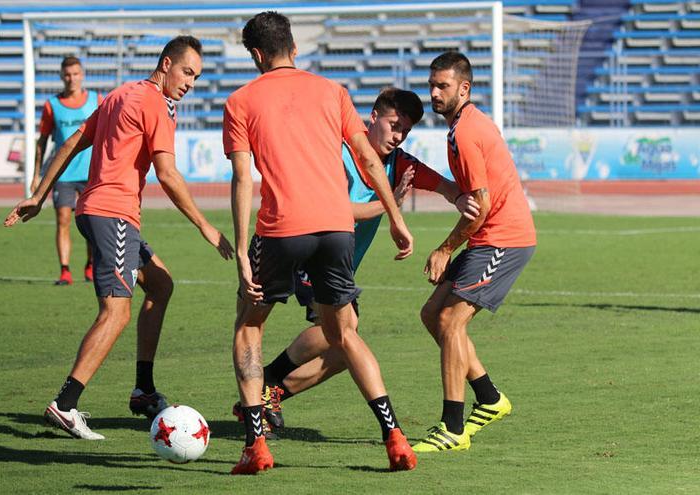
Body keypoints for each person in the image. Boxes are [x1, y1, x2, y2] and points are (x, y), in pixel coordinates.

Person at [5, 35, 234, 440]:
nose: (190, 83)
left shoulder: (119, 94)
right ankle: (66, 403)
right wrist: (205, 225)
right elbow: (167, 174)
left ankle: (143, 390)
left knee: (160, 285)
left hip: (100, 211)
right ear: (166, 64)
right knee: (117, 312)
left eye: (196, 77)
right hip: (113, 213)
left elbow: (74, 140)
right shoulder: (156, 105)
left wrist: (40, 194)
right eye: (186, 72)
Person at [225, 12, 417, 474]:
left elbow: (242, 178)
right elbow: (369, 160)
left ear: (256, 55)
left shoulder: (240, 100)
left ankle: (256, 445)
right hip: (336, 228)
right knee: (344, 333)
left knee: (249, 327)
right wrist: (395, 217)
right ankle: (394, 437)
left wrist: (239, 251)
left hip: (281, 228)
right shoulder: (334, 92)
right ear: (294, 46)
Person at [233, 88, 479, 436]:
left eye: (405, 132)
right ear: (373, 117)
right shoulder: (340, 154)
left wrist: (462, 198)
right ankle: (267, 384)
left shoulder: (400, 164)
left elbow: (443, 185)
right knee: (340, 333)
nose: (397, 136)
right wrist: (389, 204)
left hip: (337, 264)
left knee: (343, 349)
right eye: (394, 125)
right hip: (306, 248)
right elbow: (337, 211)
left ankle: (271, 389)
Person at [411, 51, 536, 452]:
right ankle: (489, 397)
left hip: (505, 238)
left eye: (442, 86)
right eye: (431, 84)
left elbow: (479, 206)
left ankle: (452, 427)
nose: (433, 93)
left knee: (449, 321)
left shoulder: (466, 132)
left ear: (463, 89)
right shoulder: (463, 126)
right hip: (487, 235)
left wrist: (445, 248)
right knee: (432, 314)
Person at [31, 56, 100, 286]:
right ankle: (65, 270)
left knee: (91, 221)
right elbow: (42, 142)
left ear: (82, 75)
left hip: (91, 172)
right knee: (63, 220)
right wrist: (36, 175)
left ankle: (90, 265)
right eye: (67, 74)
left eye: (76, 73)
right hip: (63, 174)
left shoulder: (96, 100)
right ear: (62, 76)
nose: (72, 78)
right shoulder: (52, 106)